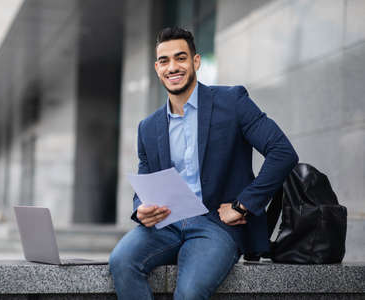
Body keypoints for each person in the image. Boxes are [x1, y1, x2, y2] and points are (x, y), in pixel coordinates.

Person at [109, 27, 298, 300]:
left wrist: (242, 204)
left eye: (180, 58)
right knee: (121, 262)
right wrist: (141, 209)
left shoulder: (232, 102)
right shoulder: (148, 127)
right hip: (166, 224)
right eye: (165, 61)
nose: (173, 67)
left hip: (217, 226)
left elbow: (282, 152)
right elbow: (145, 182)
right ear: (157, 68)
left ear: (195, 61)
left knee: (190, 292)